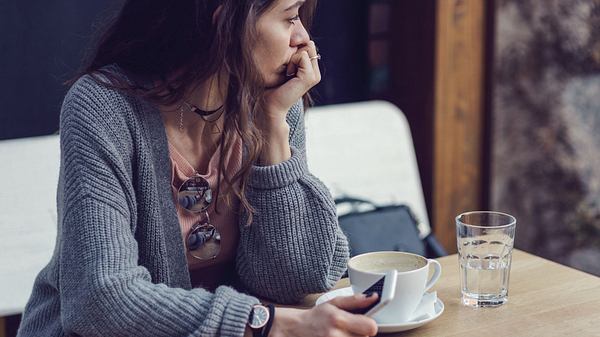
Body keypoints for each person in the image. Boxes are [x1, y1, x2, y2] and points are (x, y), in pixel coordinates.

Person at [17, 0, 379, 336]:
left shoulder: (271, 103)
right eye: (288, 17)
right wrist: (264, 323)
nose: (303, 38)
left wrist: (274, 130)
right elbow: (99, 299)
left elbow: (293, 279)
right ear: (223, 22)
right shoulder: (103, 107)